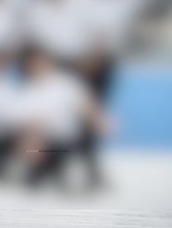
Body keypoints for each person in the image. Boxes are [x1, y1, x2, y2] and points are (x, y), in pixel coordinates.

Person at [14, 46, 108, 187]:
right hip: (38, 139)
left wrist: (97, 120)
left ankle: (89, 176)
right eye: (32, 64)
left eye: (40, 62)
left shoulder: (66, 83)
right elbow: (20, 119)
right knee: (33, 172)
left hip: (65, 137)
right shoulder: (27, 89)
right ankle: (43, 168)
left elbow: (85, 105)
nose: (36, 66)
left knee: (79, 142)